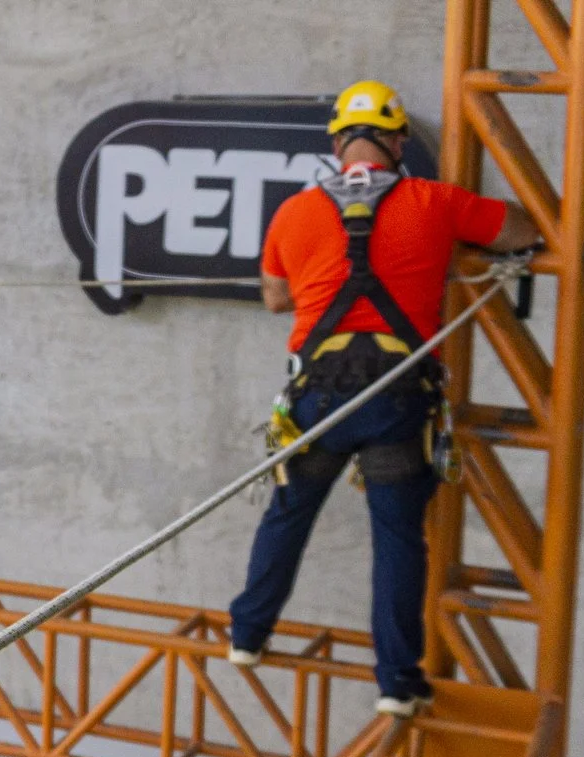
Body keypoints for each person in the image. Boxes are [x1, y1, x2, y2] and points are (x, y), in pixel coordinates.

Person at [225, 78, 539, 716]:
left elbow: (276, 297)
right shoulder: (436, 201)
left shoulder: (295, 212)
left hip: (320, 397)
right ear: (397, 142)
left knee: (288, 513)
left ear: (338, 143)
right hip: (398, 400)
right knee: (398, 539)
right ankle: (397, 683)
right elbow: (521, 231)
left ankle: (247, 636)